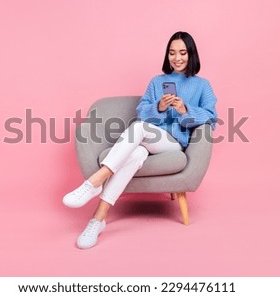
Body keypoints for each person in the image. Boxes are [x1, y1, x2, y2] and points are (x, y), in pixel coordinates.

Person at [62, 31, 217, 249]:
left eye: (183, 52)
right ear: (167, 55)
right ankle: (97, 220)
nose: (177, 58)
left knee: (139, 128)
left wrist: (185, 110)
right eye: (172, 53)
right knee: (136, 153)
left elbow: (211, 118)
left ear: (191, 54)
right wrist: (160, 107)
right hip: (147, 139)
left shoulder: (202, 85)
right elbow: (143, 112)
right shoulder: (157, 82)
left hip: (173, 142)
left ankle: (96, 181)